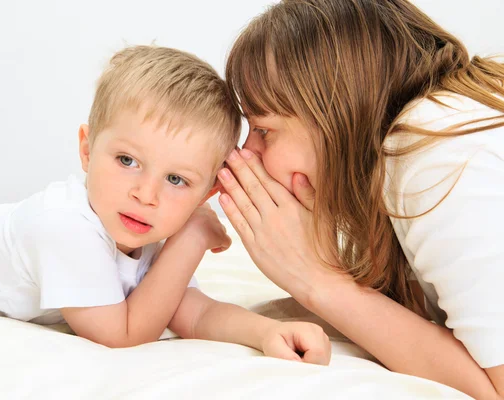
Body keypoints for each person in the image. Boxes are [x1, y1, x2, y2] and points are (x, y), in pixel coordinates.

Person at [0, 45, 331, 364]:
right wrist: (193, 237)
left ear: (207, 193)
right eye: (128, 161)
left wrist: (268, 331)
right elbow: (121, 336)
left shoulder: (140, 229)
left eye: (177, 179)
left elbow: (191, 313)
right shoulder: (63, 227)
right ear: (87, 150)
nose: (146, 194)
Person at [216, 0, 504, 398]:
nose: (247, 153)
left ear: (334, 109)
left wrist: (321, 284)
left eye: (264, 129)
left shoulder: (436, 150)